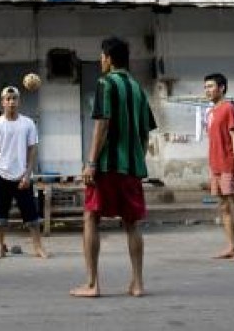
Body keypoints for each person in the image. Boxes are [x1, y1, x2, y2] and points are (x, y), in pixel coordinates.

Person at [70, 37, 157, 298]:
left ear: (108, 58)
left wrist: (91, 162)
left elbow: (102, 124)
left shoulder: (105, 83)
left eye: (101, 56)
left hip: (107, 166)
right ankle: (138, 284)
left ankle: (92, 284)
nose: (100, 61)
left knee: (91, 217)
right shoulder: (138, 88)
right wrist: (137, 160)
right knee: (132, 224)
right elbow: (145, 133)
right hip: (131, 168)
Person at [0, 86, 47, 259]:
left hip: (22, 177)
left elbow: (32, 150)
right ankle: (0, 246)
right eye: (8, 99)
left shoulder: (27, 123)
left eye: (14, 99)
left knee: (32, 216)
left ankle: (38, 247)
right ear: (3, 102)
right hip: (1, 174)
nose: (11, 102)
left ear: (19, 101)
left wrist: (27, 174)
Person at [204, 73, 234, 262]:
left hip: (229, 166)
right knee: (224, 207)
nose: (207, 90)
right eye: (205, 87)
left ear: (222, 87)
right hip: (215, 166)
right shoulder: (211, 112)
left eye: (211, 86)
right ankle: (232, 247)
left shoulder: (229, 108)